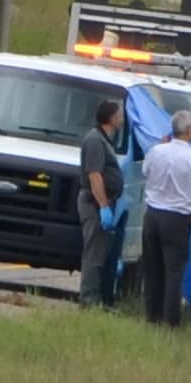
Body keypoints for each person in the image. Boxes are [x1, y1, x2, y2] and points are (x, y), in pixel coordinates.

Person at [142, 110, 191, 327]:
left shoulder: (156, 151)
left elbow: (146, 173)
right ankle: (170, 320)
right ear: (190, 131)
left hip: (152, 214)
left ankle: (151, 316)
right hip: (178, 217)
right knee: (174, 272)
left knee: (152, 269)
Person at [78, 100, 125, 308]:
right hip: (95, 202)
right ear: (112, 117)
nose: (122, 117)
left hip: (104, 201)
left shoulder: (106, 140)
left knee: (101, 253)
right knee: (94, 254)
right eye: (119, 114)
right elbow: (95, 176)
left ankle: (99, 298)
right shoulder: (95, 141)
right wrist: (104, 206)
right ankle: (89, 301)